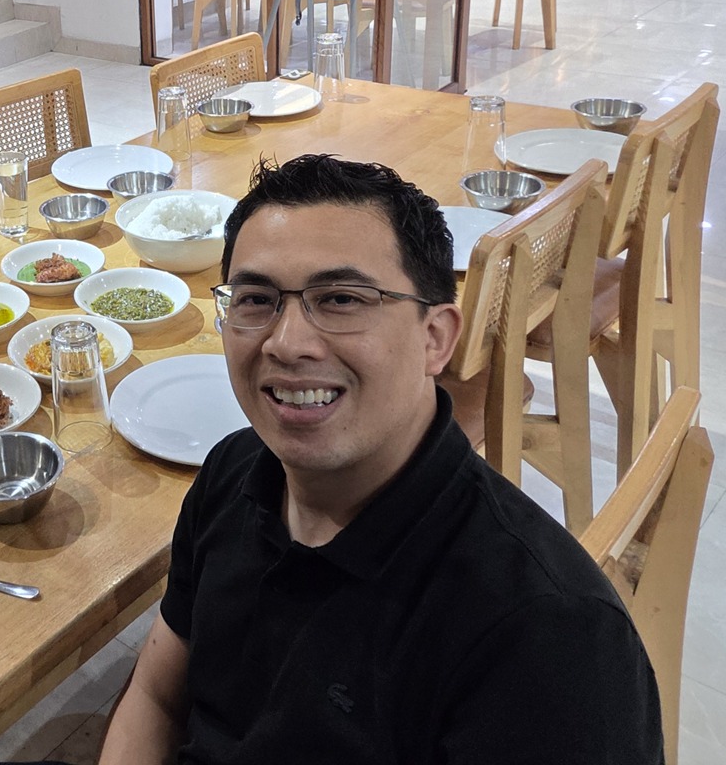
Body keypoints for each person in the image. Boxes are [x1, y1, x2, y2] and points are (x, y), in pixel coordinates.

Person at [98, 155, 665, 764]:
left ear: (435, 338)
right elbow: (156, 697)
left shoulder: (550, 640)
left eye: (342, 299)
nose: (287, 342)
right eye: (256, 299)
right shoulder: (234, 472)